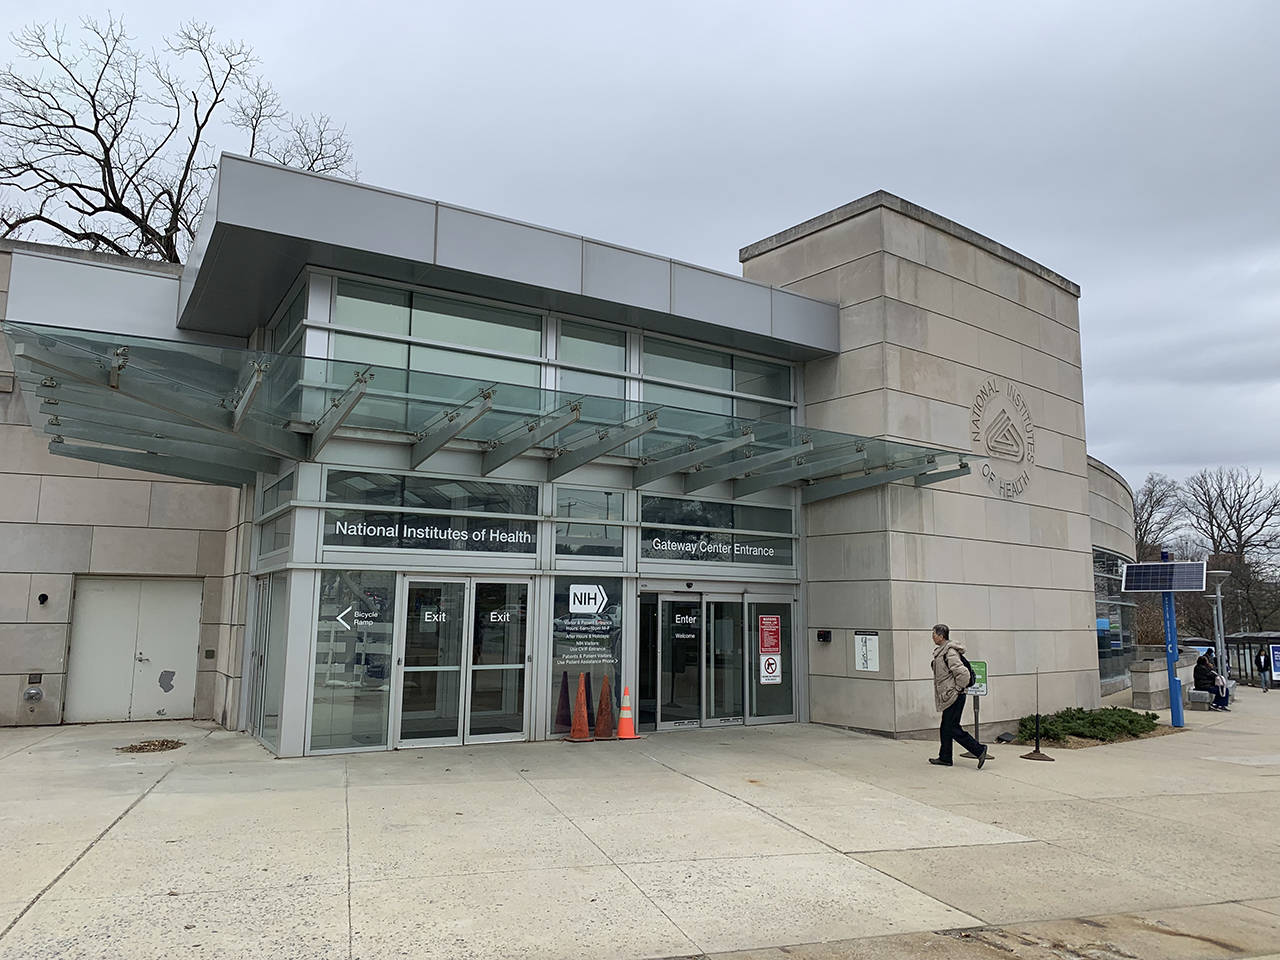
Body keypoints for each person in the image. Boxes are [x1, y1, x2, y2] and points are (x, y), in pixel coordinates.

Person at [929, 623, 988, 768]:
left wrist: (956, 689)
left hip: (955, 696)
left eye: (934, 634)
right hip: (950, 695)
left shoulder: (949, 652)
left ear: (941, 636)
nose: (932, 637)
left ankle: (979, 750)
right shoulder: (942, 651)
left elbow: (963, 674)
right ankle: (945, 757)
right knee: (945, 727)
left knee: (952, 727)